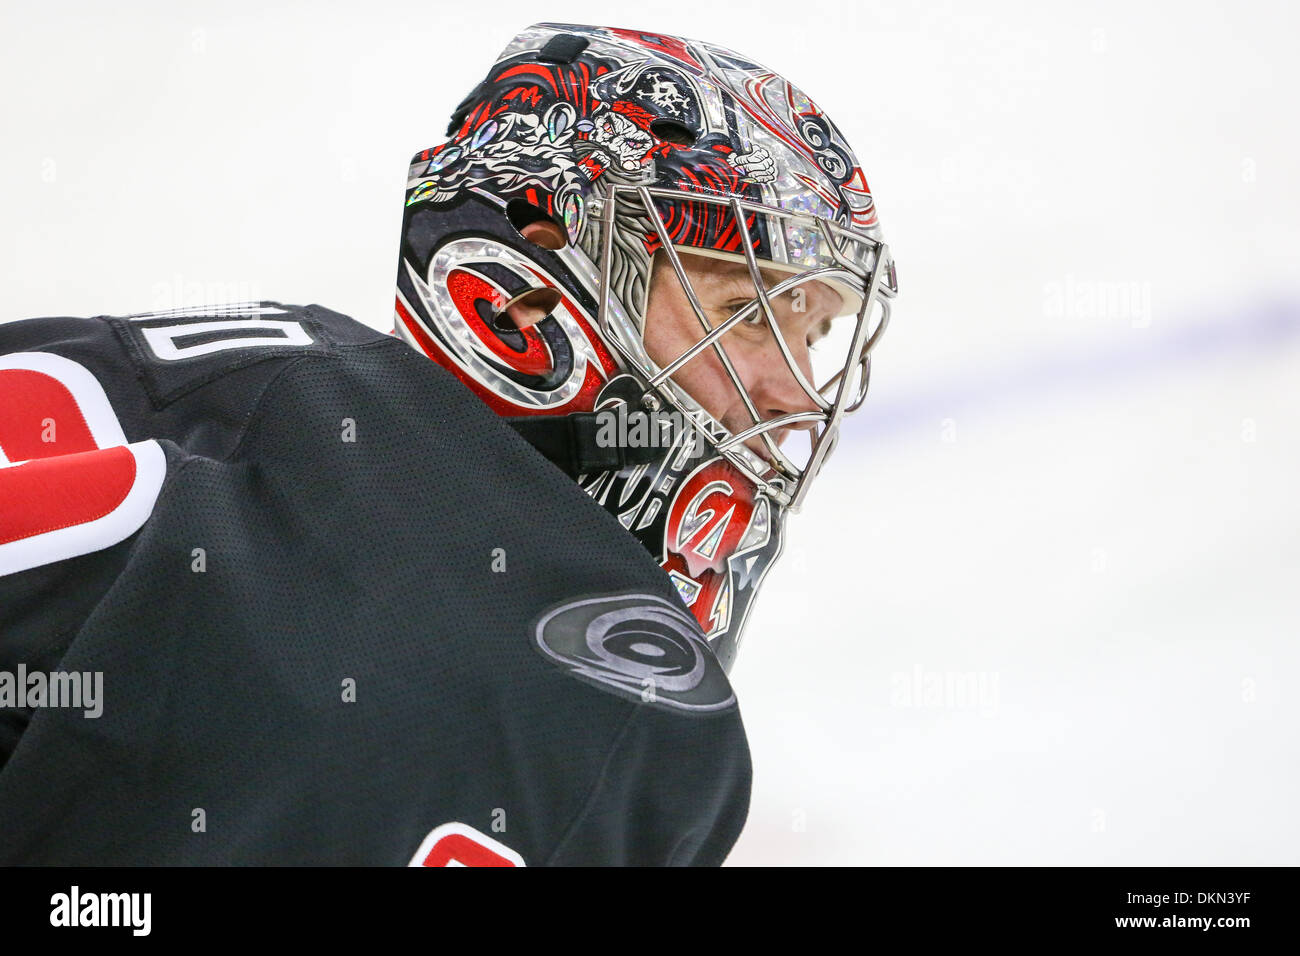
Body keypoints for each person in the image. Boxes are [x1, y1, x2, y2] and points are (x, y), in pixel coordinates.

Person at [0, 22, 895, 866]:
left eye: (811, 334)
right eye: (744, 313)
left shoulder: (254, 369)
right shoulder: (585, 692)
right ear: (525, 295)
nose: (795, 403)